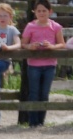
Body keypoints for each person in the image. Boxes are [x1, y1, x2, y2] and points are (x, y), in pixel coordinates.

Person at [22, 0, 65, 128]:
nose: (41, 13)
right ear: (35, 12)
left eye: (44, 11)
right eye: (39, 11)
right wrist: (31, 46)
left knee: (44, 94)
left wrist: (52, 46)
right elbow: (23, 43)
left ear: (50, 12)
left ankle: (41, 121)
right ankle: (32, 121)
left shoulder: (56, 26)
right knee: (34, 92)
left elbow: (62, 43)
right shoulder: (30, 26)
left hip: (50, 64)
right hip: (34, 65)